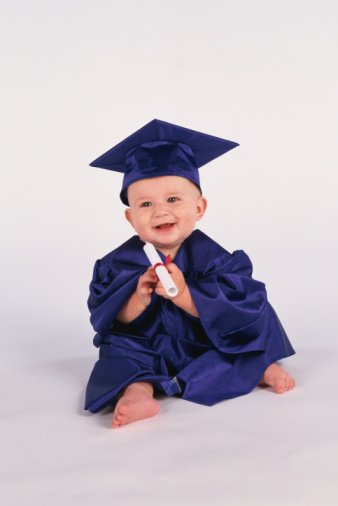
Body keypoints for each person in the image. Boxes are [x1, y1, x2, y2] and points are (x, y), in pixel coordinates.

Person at [85, 119, 296, 428]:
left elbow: (238, 310)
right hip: (148, 345)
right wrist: (138, 299)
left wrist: (185, 295)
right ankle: (138, 392)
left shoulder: (216, 259)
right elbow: (110, 319)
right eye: (146, 204)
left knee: (250, 324)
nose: (160, 211)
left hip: (202, 341)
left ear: (199, 208)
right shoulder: (118, 264)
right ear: (131, 219)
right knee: (121, 352)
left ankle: (261, 367)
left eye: (173, 199)